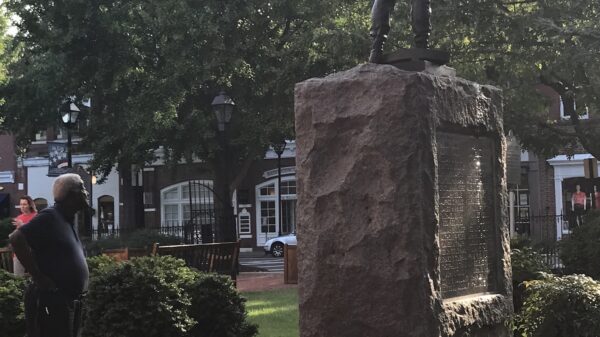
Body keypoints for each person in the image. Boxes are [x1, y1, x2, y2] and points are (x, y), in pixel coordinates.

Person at [9, 173, 90, 337]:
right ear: (71, 194)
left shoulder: (67, 219)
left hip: (68, 302)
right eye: (82, 187)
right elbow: (16, 238)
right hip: (52, 301)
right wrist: (38, 276)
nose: (86, 192)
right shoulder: (50, 216)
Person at [12, 196, 38, 275]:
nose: (22, 207)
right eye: (21, 204)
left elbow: (36, 233)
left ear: (30, 205)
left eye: (24, 204)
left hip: (32, 252)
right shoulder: (19, 217)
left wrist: (22, 225)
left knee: (35, 277)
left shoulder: (36, 216)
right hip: (19, 252)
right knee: (17, 278)